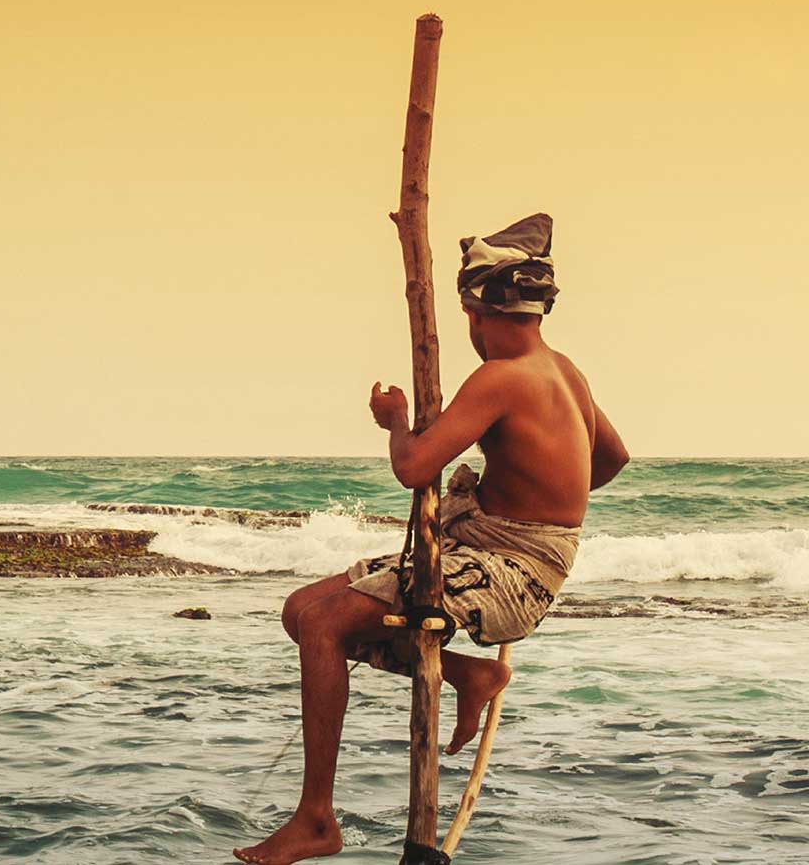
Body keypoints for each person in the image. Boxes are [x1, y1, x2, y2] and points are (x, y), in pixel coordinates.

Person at [235, 214, 629, 865]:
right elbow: (611, 458)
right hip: (496, 545)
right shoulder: (564, 370)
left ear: (477, 311)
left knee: (327, 626)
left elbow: (414, 468)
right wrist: (528, 493)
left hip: (510, 568)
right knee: (301, 613)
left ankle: (315, 819)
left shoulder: (501, 377)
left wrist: (396, 423)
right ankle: (467, 672)